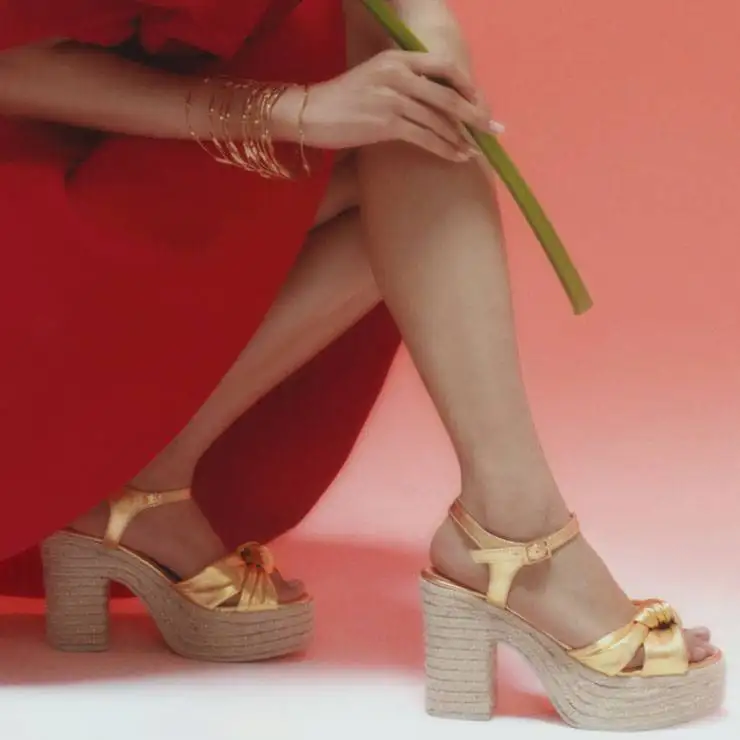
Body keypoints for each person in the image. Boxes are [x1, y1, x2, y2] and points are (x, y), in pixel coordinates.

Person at [0, 0, 723, 730]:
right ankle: (514, 536)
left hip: (129, 157)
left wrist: (432, 38)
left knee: (401, 101)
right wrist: (292, 111)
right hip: (27, 210)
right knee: (375, 82)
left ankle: (142, 478)